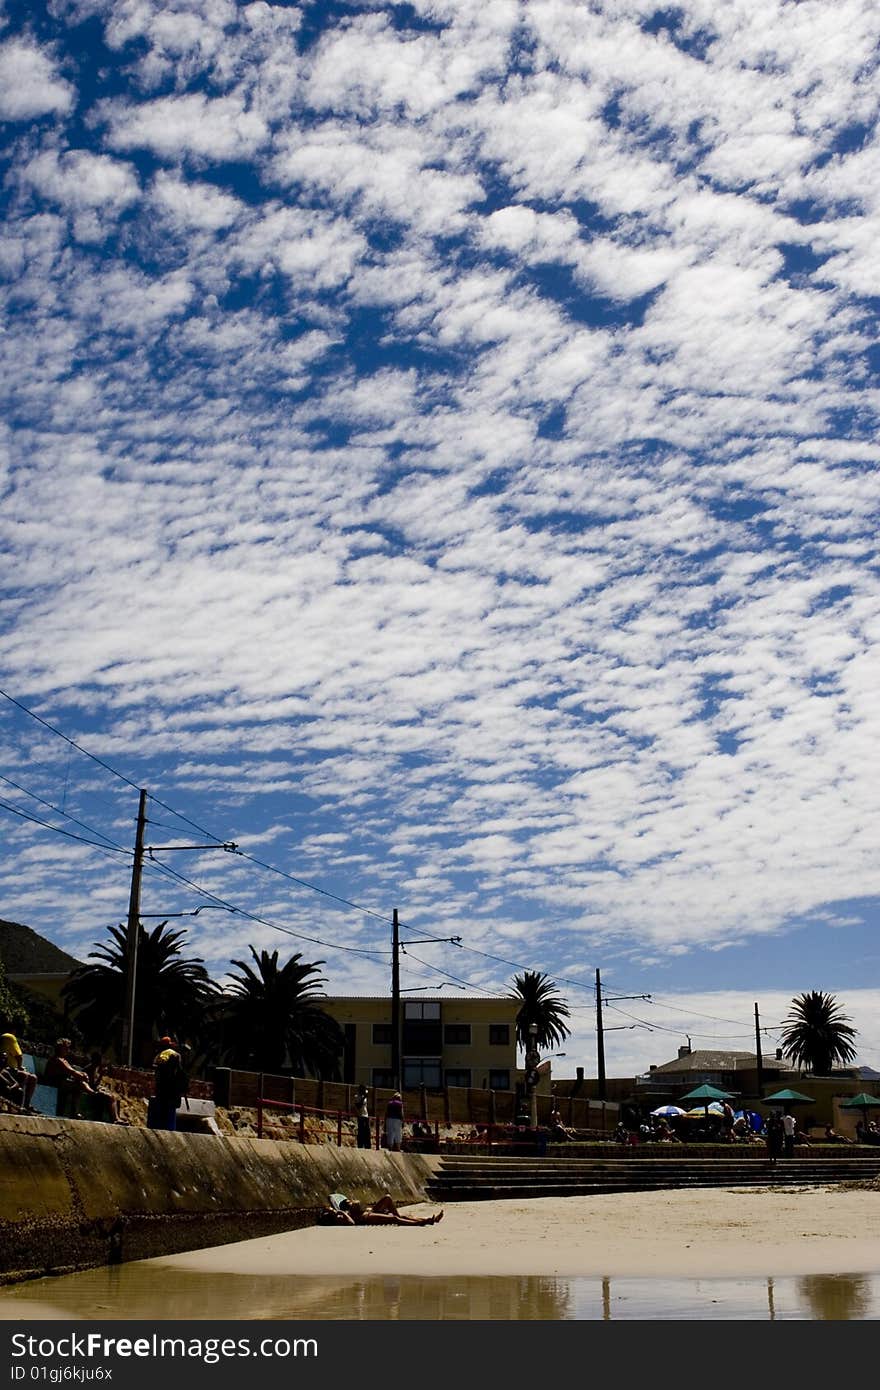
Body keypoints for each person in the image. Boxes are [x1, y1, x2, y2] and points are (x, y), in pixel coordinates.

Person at [44, 1038, 99, 1116]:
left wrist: (83, 1074)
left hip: (62, 1082)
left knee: (78, 1084)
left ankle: (90, 1094)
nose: (68, 1050)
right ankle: (91, 1094)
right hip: (53, 1082)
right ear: (60, 1048)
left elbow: (73, 1071)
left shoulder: (64, 1060)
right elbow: (72, 1072)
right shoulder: (57, 1060)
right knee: (79, 1084)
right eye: (66, 1048)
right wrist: (82, 1076)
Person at [322, 1192, 443, 1227]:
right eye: (349, 1202)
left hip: (370, 1211)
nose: (352, 1201)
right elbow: (352, 1223)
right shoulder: (342, 1215)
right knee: (394, 1218)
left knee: (388, 1198)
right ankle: (421, 1223)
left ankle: (429, 1220)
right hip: (368, 1217)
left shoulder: (345, 1211)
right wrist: (340, 1211)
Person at [151, 1036, 187, 1131]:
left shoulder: (158, 1056)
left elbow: (156, 1072)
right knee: (170, 1114)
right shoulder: (175, 1055)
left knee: (161, 1113)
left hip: (160, 1089)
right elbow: (179, 1073)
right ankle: (170, 1130)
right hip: (172, 1090)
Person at [0, 1030, 38, 1111]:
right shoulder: (10, 1037)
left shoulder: (4, 1037)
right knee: (25, 1076)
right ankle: (22, 1104)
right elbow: (19, 1056)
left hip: (9, 1070)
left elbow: (13, 1082)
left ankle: (24, 1105)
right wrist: (20, 1067)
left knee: (32, 1077)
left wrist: (12, 1086)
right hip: (9, 1068)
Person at [354, 1084, 372, 1150]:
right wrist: (364, 1097)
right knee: (361, 1131)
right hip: (360, 1115)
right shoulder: (357, 1096)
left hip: (366, 1115)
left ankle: (367, 1145)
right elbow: (358, 1106)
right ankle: (360, 1145)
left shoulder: (365, 1097)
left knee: (367, 1132)